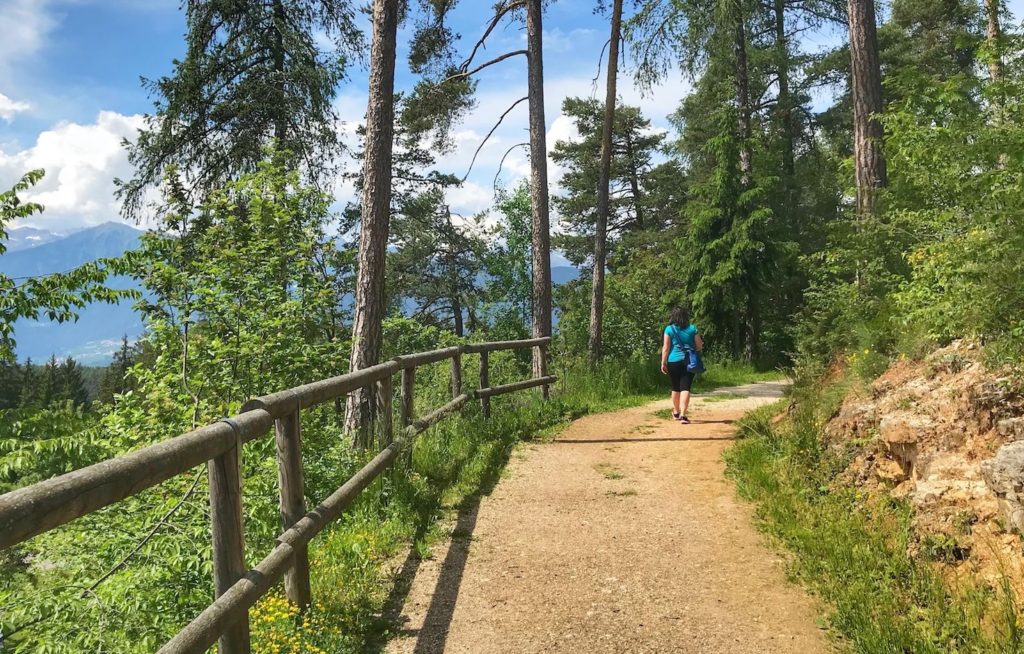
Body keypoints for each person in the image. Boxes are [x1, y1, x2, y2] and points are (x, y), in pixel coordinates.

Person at [660, 307, 703, 423]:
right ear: (685, 316)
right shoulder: (692, 328)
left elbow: (666, 348)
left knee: (675, 387)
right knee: (685, 387)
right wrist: (692, 347)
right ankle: (683, 415)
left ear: (673, 316)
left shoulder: (669, 329)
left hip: (673, 361)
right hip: (689, 361)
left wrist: (663, 362)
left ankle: (676, 412)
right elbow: (699, 345)